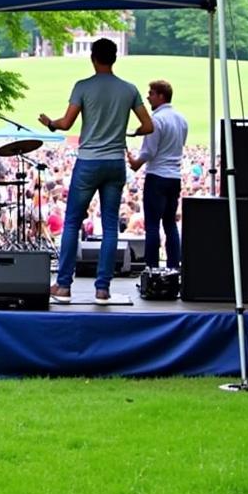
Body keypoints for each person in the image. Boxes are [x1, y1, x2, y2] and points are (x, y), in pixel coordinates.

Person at [38, 38, 153, 303]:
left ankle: (64, 286)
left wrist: (50, 124)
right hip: (115, 162)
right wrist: (130, 131)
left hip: (89, 161)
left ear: (93, 57)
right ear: (114, 58)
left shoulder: (83, 87)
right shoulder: (129, 89)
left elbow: (66, 123)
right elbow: (148, 126)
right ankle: (103, 289)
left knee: (72, 222)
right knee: (111, 226)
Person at [126, 80, 189, 270]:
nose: (148, 97)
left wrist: (135, 162)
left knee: (152, 225)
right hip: (174, 177)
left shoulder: (155, 120)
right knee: (170, 224)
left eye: (151, 93)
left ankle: (151, 269)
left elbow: (149, 151)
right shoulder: (181, 119)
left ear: (161, 96)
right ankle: (173, 268)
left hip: (157, 176)